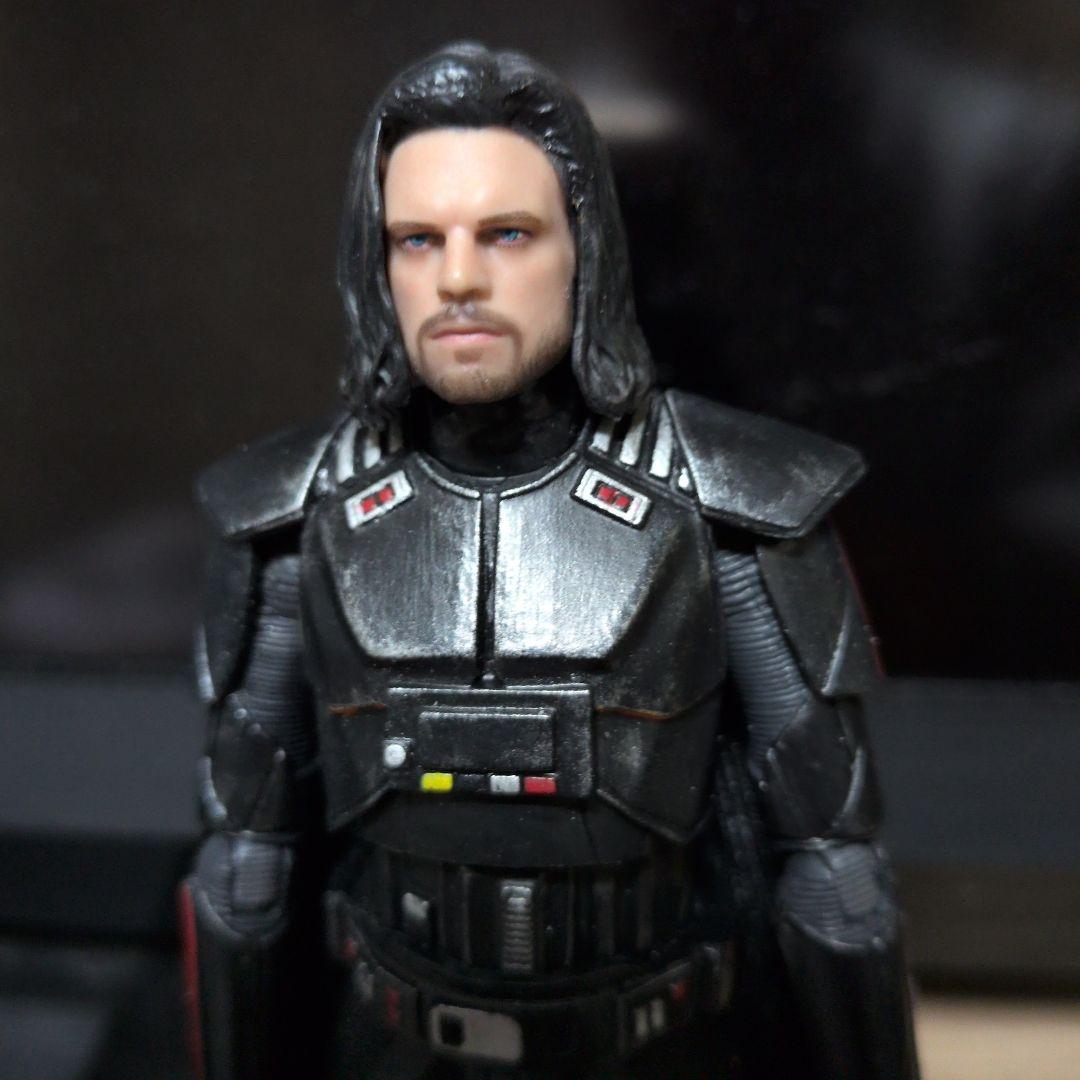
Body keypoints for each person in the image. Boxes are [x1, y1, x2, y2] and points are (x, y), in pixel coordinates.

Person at [182, 42, 919, 1079]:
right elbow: (246, 874)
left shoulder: (735, 505)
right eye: (416, 240)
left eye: (507, 233)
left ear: (585, 248)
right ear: (378, 265)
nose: (458, 279)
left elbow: (837, 879)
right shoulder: (291, 517)